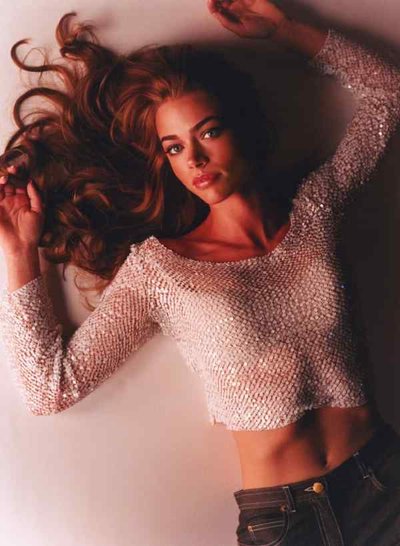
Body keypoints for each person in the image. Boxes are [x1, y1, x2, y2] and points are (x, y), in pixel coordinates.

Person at [0, 1, 400, 544]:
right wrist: (20, 251)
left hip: (384, 483)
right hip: (285, 522)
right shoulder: (162, 272)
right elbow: (51, 388)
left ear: (243, 128)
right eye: (174, 147)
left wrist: (284, 29)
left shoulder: (315, 210)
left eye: (207, 132)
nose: (194, 159)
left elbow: (387, 92)